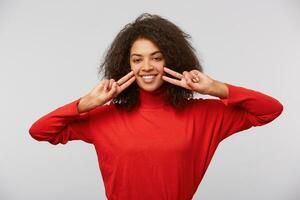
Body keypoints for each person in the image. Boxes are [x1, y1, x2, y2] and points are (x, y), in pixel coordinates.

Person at [29, 13, 284, 200]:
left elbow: (270, 110)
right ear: (127, 65)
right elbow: (40, 131)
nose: (147, 67)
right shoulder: (103, 117)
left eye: (157, 58)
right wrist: (87, 103)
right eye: (137, 59)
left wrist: (215, 88)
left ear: (170, 61)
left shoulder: (203, 115)